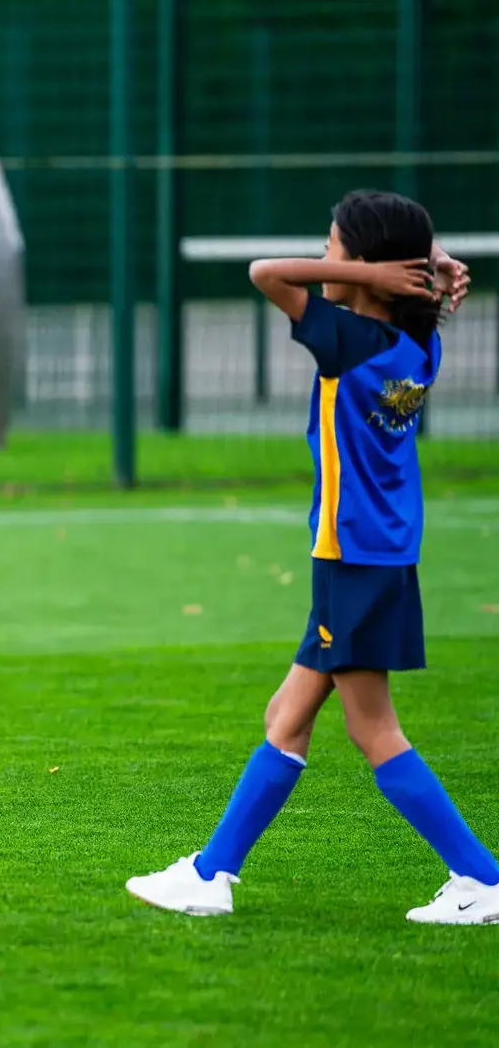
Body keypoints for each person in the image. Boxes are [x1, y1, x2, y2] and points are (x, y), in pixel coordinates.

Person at [126, 190, 498, 924]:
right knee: (285, 717)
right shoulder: (419, 343)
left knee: (372, 730)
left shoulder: (349, 339)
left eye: (331, 248)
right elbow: (325, 278)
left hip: (353, 556)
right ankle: (210, 873)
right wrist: (421, 268)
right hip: (378, 554)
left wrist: (396, 272)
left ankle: (482, 879)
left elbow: (268, 274)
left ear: (371, 270)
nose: (320, 260)